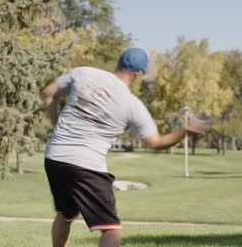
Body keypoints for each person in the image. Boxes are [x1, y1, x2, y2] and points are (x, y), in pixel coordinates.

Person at [41, 47, 207, 247]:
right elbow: (156, 143)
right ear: (138, 74)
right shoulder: (131, 104)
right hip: (86, 165)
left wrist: (57, 123)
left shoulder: (84, 73)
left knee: (65, 214)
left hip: (54, 157)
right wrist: (185, 130)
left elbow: (48, 93)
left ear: (119, 63)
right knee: (110, 230)